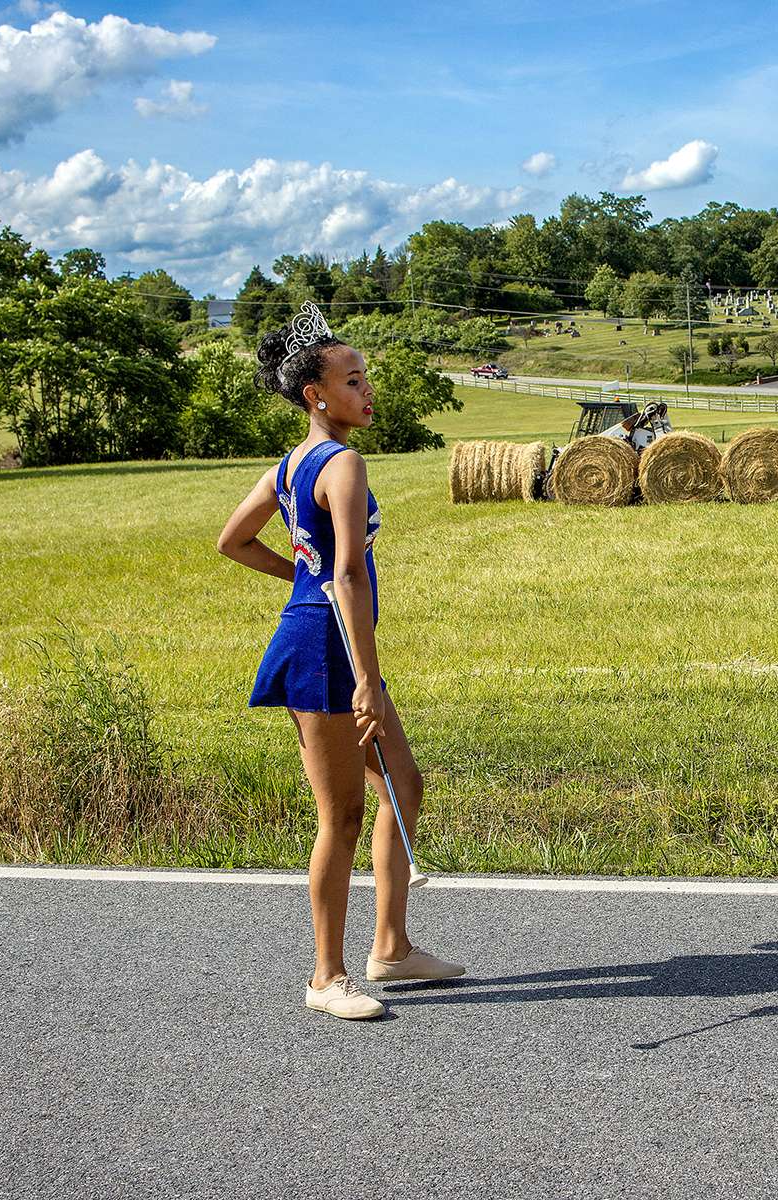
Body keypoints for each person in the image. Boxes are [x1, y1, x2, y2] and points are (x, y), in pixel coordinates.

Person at [218, 301, 464, 1021]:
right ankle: (325, 976)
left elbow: (232, 541)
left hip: (327, 639)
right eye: (351, 379)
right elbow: (350, 576)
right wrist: (362, 675)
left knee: (404, 785)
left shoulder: (290, 466)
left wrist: (305, 578)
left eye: (364, 377)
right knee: (343, 816)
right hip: (327, 653)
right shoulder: (342, 463)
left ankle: (391, 946)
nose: (366, 389)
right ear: (315, 395)